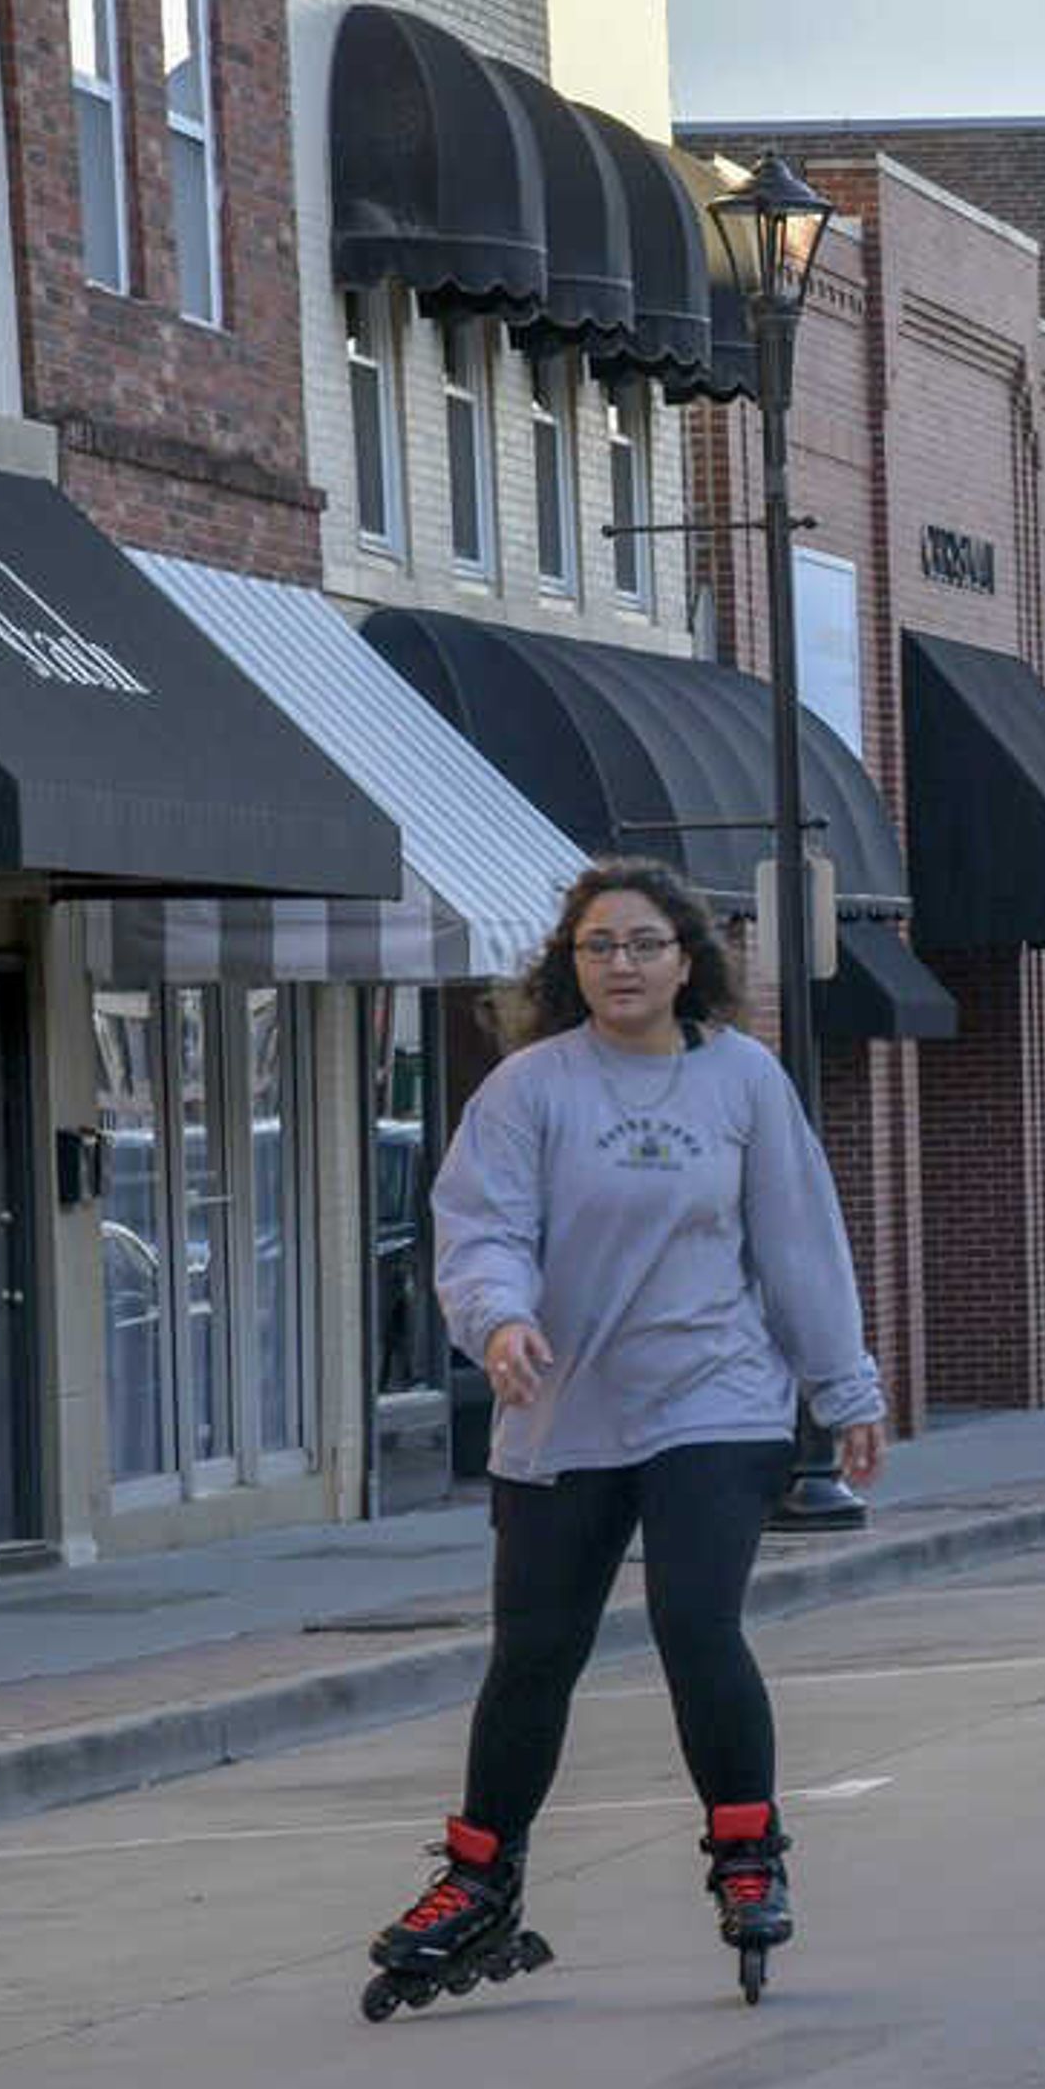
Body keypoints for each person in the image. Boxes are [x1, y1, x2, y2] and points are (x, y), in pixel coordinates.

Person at [360, 859, 886, 2018]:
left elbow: (800, 1242)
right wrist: (498, 1324)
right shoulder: (528, 1089)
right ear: (571, 964)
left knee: (695, 1619)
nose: (624, 965)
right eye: (600, 947)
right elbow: (480, 1227)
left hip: (716, 1397)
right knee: (535, 1652)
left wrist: (845, 1389)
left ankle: (747, 1847)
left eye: (645, 943)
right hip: (564, 1409)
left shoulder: (742, 1081)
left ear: (686, 958)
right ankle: (480, 1872)